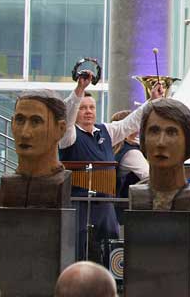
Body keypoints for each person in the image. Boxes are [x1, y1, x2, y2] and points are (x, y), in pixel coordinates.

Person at [59, 75, 154, 261]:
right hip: (80, 207)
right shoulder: (68, 136)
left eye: (91, 107)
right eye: (83, 108)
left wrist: (152, 101)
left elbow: (131, 122)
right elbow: (67, 115)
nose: (88, 112)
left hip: (106, 208)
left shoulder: (106, 131)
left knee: (110, 256)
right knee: (81, 255)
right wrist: (79, 90)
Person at [2, 90, 73, 208]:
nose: (25, 134)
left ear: (60, 129)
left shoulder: (60, 183)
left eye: (36, 121)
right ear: (11, 123)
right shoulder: (8, 184)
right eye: (20, 120)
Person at [127, 100, 190, 210]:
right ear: (143, 139)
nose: (161, 142)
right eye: (154, 131)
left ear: (188, 141)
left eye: (171, 132)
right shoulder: (138, 194)